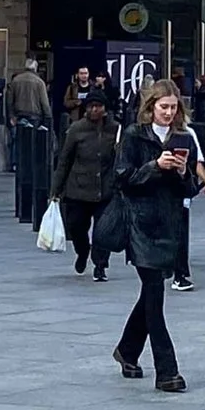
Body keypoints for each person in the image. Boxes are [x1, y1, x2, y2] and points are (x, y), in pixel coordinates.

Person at [110, 81, 200, 392]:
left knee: (150, 295)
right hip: (140, 223)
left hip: (170, 224)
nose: (169, 113)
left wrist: (182, 172)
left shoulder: (184, 138)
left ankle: (127, 349)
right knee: (154, 295)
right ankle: (167, 371)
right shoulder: (135, 135)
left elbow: (190, 189)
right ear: (151, 108)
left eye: (173, 108)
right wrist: (154, 165)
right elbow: (123, 178)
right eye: (163, 107)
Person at [53, 93, 118, 278]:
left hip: (105, 188)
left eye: (98, 106)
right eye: (91, 106)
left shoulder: (115, 129)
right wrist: (56, 190)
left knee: (103, 230)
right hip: (78, 188)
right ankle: (82, 252)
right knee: (76, 226)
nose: (94, 110)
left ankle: (100, 265)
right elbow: (64, 160)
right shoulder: (76, 129)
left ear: (105, 109)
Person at [170, 128, 205, 292]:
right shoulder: (145, 133)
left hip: (181, 193)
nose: (170, 113)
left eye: (174, 108)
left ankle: (179, 275)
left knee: (180, 236)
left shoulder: (187, 134)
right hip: (155, 195)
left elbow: (197, 162)